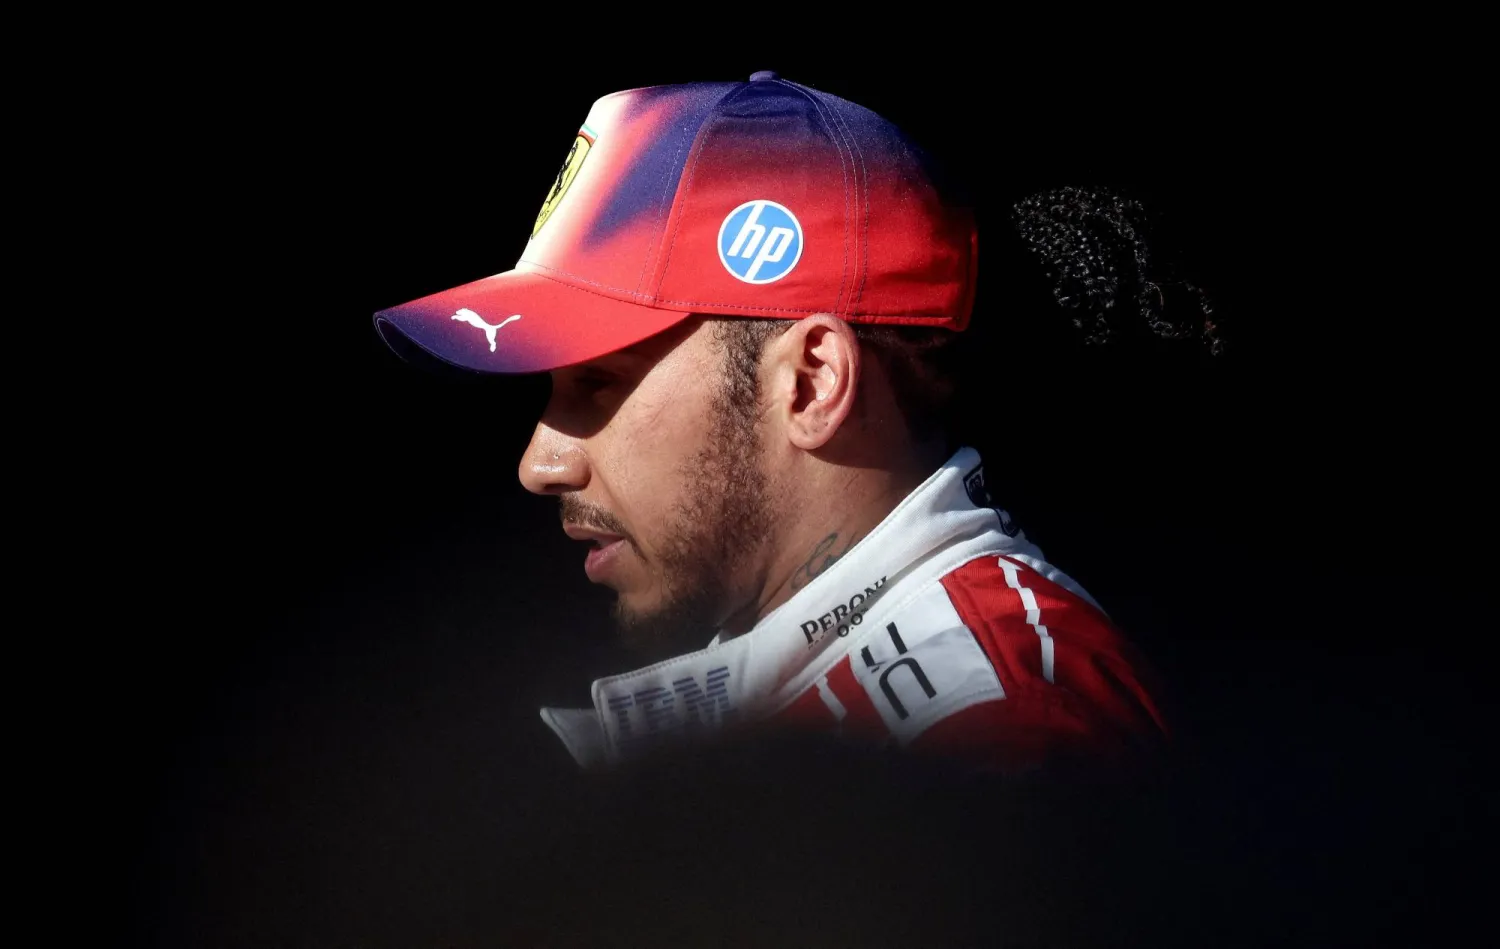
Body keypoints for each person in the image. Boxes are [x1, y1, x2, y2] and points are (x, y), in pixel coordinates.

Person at [372, 71, 1184, 772]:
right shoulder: (821, 686)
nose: (540, 462)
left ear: (811, 383)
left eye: (598, 384)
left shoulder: (1001, 733)